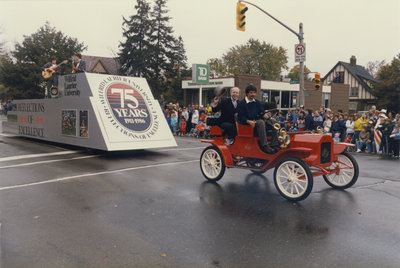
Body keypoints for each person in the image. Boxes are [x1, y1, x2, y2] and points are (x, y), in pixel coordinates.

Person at [237, 85, 278, 154]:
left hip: (257, 121)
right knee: (261, 122)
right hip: (248, 123)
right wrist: (248, 121)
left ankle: (274, 144)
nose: (253, 94)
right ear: (247, 93)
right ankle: (265, 146)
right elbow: (240, 117)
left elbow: (261, 112)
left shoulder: (257, 102)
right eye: (251, 93)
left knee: (274, 122)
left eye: (254, 93)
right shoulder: (241, 103)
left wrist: (265, 115)